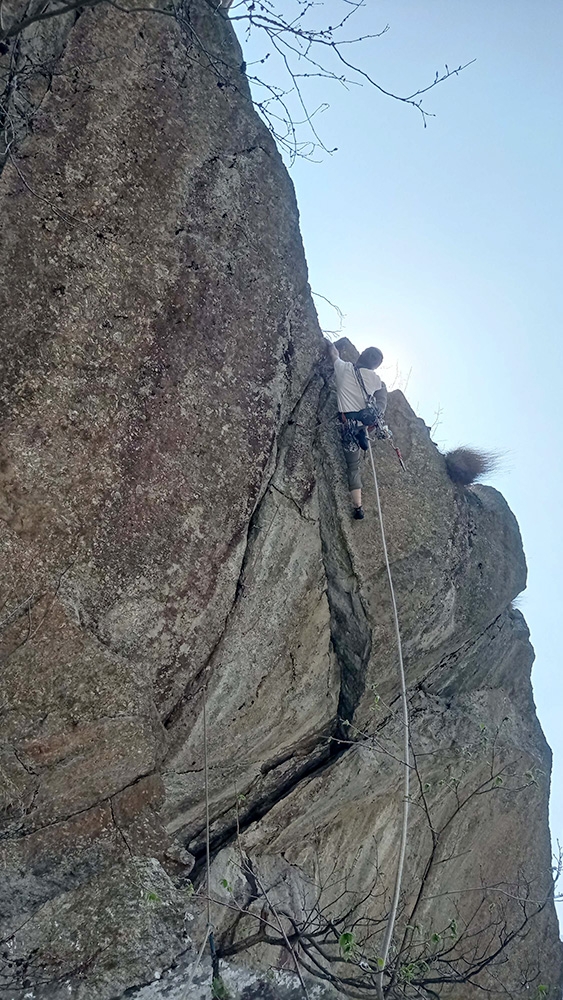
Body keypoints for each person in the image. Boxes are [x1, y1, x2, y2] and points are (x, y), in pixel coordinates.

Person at [326, 340, 388, 520]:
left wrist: (330, 343)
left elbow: (333, 354)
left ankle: (358, 507)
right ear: (376, 366)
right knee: (381, 396)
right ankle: (368, 427)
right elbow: (381, 403)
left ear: (361, 356)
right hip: (362, 423)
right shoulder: (378, 381)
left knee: (353, 466)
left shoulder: (344, 368)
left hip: (347, 425)